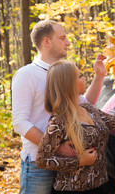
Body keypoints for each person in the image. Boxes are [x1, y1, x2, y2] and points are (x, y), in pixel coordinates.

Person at [12, 20, 107, 194]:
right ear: (47, 41)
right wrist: (55, 147)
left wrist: (99, 76)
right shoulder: (27, 74)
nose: (68, 42)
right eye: (62, 38)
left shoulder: (65, 72)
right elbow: (19, 122)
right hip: (38, 165)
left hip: (68, 166)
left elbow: (85, 104)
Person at [36, 60, 115, 194]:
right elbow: (42, 160)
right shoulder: (59, 120)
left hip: (102, 187)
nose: (85, 78)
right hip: (72, 190)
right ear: (69, 84)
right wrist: (79, 161)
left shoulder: (89, 109)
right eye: (80, 76)